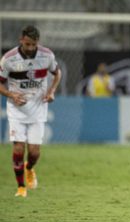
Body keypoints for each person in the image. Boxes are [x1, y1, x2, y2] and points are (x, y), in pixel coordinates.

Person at [0, 25, 62, 197]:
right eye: (27, 44)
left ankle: (29, 168)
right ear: (21, 40)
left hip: (38, 108)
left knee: (34, 152)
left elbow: (57, 73)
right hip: (17, 109)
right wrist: (10, 94)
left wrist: (51, 91)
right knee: (18, 148)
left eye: (33, 45)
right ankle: (21, 187)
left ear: (37, 43)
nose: (30, 48)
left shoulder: (47, 55)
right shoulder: (9, 59)